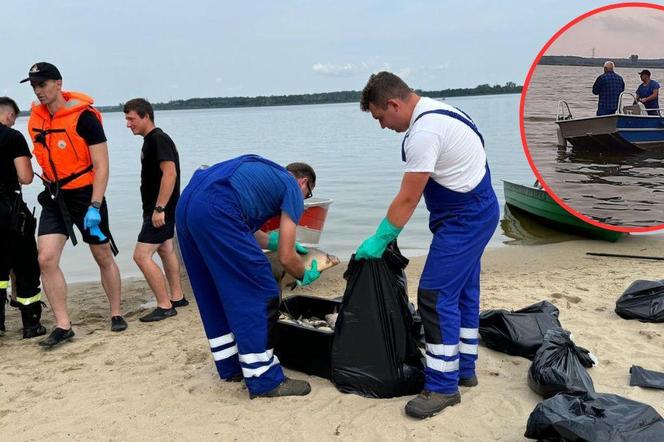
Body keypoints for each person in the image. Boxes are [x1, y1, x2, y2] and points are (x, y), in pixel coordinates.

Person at [356, 72, 499, 419]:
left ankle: (442, 386)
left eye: (380, 117)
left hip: (465, 219)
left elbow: (408, 199)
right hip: (478, 209)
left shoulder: (424, 132)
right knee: (462, 291)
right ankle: (464, 369)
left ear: (393, 104)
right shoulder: (443, 111)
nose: (382, 126)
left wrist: (380, 239)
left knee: (434, 295)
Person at [176, 155, 319, 398]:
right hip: (216, 207)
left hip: (188, 204)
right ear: (303, 183)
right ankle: (264, 378)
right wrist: (304, 273)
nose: (304, 201)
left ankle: (231, 365)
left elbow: (242, 228)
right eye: (308, 196)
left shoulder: (265, 177)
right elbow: (286, 256)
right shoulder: (291, 188)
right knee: (261, 289)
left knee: (212, 289)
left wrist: (272, 239)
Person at [20, 62, 126, 348]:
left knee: (102, 255)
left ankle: (116, 312)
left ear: (58, 83)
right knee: (46, 259)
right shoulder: (36, 119)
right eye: (34, 86)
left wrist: (95, 204)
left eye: (42, 84)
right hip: (54, 197)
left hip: (86, 195)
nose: (38, 91)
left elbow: (102, 166)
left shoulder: (85, 118)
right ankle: (63, 325)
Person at [123, 98, 188, 322]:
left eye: (131, 119)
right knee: (166, 250)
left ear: (146, 116)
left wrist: (159, 208)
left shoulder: (158, 139)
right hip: (159, 208)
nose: (128, 124)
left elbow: (170, 174)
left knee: (141, 256)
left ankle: (164, 304)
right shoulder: (151, 140)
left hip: (160, 209)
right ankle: (177, 297)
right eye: (126, 119)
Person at [0, 97, 46, 339]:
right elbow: (26, 177)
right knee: (25, 265)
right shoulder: (12, 137)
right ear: (9, 115)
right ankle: (31, 324)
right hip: (8, 212)